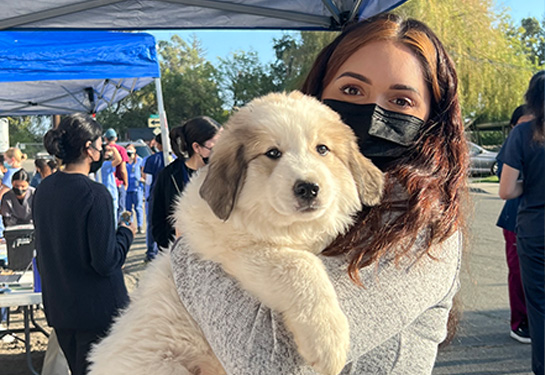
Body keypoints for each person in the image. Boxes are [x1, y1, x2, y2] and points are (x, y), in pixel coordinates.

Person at [170, 13, 469, 374]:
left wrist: (188, 254)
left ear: (431, 119)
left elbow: (276, 364)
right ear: (319, 94)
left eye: (401, 101)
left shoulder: (423, 226)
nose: (373, 115)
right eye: (352, 90)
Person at [33, 114, 135, 375]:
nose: (104, 150)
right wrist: (126, 233)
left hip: (61, 308)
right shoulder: (94, 193)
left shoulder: (44, 189)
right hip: (98, 311)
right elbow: (106, 261)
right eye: (101, 144)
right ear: (89, 149)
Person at [498, 70, 544, 375]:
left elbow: (505, 190)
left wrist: (528, 186)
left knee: (539, 307)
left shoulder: (522, 134)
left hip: (535, 230)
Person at [151, 117, 221, 251]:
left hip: (218, 253)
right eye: (214, 148)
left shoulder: (224, 174)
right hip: (181, 255)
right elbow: (158, 220)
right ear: (197, 147)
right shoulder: (169, 176)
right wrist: (173, 248)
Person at [496, 104, 534, 344]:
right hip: (516, 219)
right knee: (519, 273)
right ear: (514, 127)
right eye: (524, 124)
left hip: (536, 219)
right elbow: (506, 185)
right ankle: (520, 322)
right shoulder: (510, 148)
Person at [143, 133, 165, 261]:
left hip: (155, 196)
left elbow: (148, 181)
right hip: (171, 196)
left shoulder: (152, 159)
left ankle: (152, 252)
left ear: (157, 144)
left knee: (153, 224)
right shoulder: (174, 158)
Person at [104, 128, 129, 222]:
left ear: (105, 138)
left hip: (107, 184)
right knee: (122, 208)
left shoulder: (104, 149)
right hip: (118, 183)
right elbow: (123, 169)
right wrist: (126, 182)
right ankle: (122, 228)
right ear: (116, 138)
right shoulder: (121, 149)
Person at [94, 144, 122, 226]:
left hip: (103, 193)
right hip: (111, 194)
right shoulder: (106, 165)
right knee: (113, 221)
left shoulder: (99, 165)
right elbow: (119, 160)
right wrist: (114, 149)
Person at [125, 144, 145, 233]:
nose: (129, 152)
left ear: (134, 151)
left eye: (131, 150)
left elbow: (143, 172)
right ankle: (130, 226)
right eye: (127, 150)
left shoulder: (140, 161)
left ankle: (140, 226)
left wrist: (142, 179)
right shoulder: (124, 162)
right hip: (127, 188)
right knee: (128, 209)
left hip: (137, 188)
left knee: (138, 208)